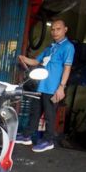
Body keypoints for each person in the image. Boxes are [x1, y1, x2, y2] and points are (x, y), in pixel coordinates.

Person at [16, 19, 75, 152]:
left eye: (58, 29)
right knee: (35, 112)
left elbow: (67, 68)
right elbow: (36, 61)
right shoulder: (50, 47)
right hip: (41, 86)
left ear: (65, 30)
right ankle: (27, 136)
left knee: (49, 115)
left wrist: (61, 87)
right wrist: (24, 59)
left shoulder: (68, 47)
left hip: (53, 87)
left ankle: (49, 140)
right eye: (53, 29)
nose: (55, 32)